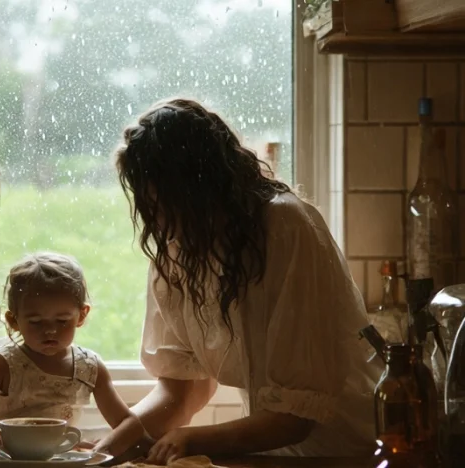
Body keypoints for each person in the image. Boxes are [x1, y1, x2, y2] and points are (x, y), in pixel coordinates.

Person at [100, 98, 380, 463]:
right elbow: (183, 391)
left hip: (351, 451)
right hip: (271, 453)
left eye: (167, 202)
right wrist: (104, 450)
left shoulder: (284, 227)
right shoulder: (179, 247)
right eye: (151, 206)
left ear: (200, 186)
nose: (160, 220)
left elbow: (297, 416)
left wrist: (192, 440)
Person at [0, 252, 145, 455]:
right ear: (14, 321)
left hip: (64, 459)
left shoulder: (89, 367)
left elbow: (129, 423)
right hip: (12, 460)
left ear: (81, 316)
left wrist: (102, 448)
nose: (49, 330)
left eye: (62, 320)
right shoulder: (3, 365)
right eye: (36, 322)